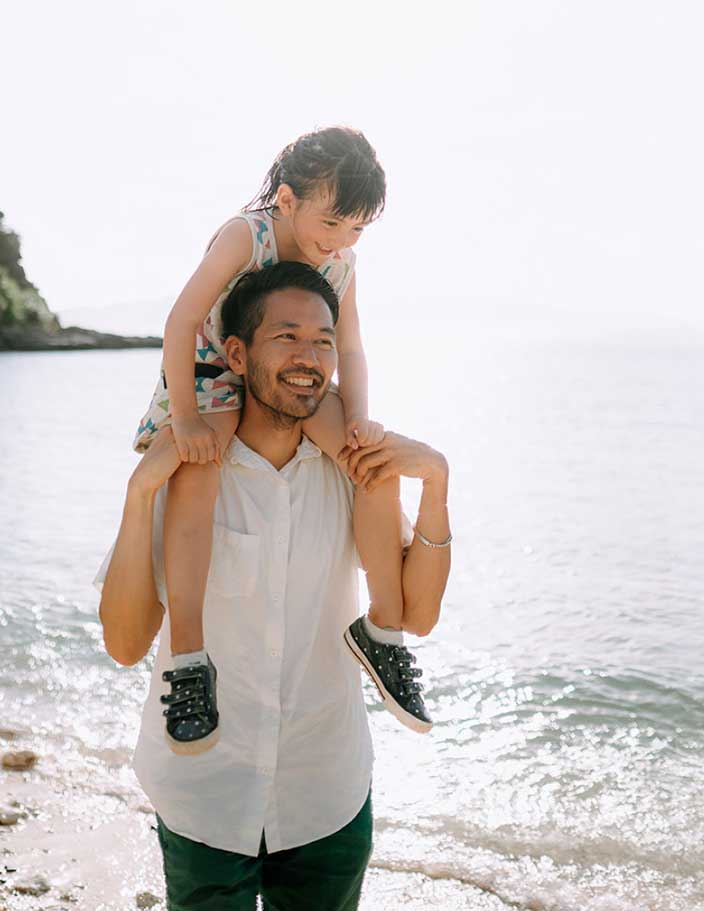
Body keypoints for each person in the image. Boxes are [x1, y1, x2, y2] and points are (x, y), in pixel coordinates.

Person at [96, 262, 451, 910]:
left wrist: (435, 479)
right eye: (287, 336)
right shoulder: (187, 474)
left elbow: (418, 614)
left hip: (327, 799)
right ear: (236, 352)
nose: (309, 356)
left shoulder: (353, 468)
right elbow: (124, 642)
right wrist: (139, 490)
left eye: (322, 340)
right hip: (205, 798)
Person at [132, 126, 429, 753]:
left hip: (289, 374)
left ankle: (383, 629)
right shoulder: (249, 234)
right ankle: (188, 659)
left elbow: (348, 347)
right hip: (213, 367)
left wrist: (359, 418)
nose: (340, 241)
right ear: (289, 200)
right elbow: (182, 321)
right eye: (332, 223)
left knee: (366, 459)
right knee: (199, 469)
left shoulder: (342, 262)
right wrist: (185, 417)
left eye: (357, 229)